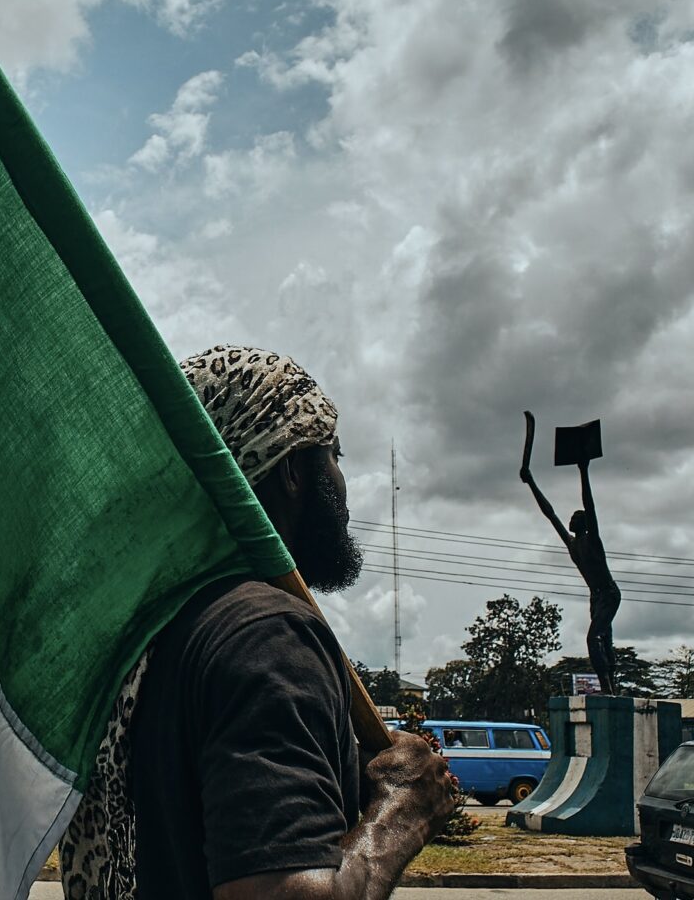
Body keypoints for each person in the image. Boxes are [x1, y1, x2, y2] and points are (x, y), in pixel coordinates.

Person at [61, 345, 459, 900]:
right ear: (293, 469)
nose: (344, 486)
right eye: (334, 455)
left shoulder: (147, 633)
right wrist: (401, 811)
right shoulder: (267, 637)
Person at [519, 411, 623, 695]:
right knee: (605, 640)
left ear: (584, 523)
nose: (571, 518)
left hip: (610, 593)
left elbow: (588, 503)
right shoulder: (572, 544)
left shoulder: (593, 540)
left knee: (594, 639)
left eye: (576, 517)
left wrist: (583, 470)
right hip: (596, 596)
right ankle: (612, 686)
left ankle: (607, 687)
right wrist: (531, 483)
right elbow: (549, 512)